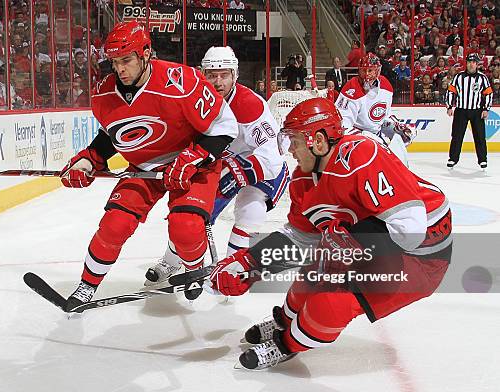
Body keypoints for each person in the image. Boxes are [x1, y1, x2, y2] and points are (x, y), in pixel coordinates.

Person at [204, 97, 453, 370]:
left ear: (319, 140)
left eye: (296, 141)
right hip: (375, 243)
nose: (291, 151)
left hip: (421, 254)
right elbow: (300, 238)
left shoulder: (361, 154)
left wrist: (348, 241)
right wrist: (250, 265)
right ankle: (285, 321)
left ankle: (287, 343)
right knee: (307, 280)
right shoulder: (302, 181)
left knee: (330, 305)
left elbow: (410, 228)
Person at [59, 21, 238, 309]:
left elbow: (225, 127)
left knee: (186, 227)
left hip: (191, 164)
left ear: (145, 54)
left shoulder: (181, 81)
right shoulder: (105, 92)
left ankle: (193, 268)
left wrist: (195, 157)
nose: (120, 69)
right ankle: (86, 285)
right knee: (113, 226)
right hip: (144, 168)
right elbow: (111, 136)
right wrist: (88, 161)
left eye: (127, 60)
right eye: (115, 62)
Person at [145, 46, 289, 285]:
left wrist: (240, 172)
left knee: (249, 212)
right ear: (203, 75)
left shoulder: (248, 104)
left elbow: (272, 156)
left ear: (235, 75)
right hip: (225, 162)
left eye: (224, 74)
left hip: (262, 167)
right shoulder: (194, 99)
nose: (218, 81)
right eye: (212, 75)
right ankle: (172, 261)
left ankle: (232, 271)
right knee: (195, 214)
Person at [335, 53, 415, 164]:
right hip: (353, 144)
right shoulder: (351, 89)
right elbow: (341, 126)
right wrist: (365, 137)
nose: (367, 75)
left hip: (376, 139)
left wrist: (396, 127)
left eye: (370, 70)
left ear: (377, 71)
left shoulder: (386, 86)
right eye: (364, 70)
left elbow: (383, 118)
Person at [446, 53, 494, 170]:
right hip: (461, 110)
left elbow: (488, 93)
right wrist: (449, 106)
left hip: (477, 111)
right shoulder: (459, 77)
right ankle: (453, 159)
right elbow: (451, 91)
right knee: (457, 136)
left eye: (473, 62)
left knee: (480, 136)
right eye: (469, 62)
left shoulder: (482, 78)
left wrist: (486, 109)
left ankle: (482, 160)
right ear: (466, 63)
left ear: (477, 64)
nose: (471, 64)